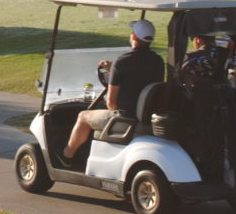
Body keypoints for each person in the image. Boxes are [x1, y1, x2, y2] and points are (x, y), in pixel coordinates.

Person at [61, 19, 165, 164]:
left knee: (83, 116)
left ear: (134, 37)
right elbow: (139, 76)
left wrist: (115, 70)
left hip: (126, 117)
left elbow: (111, 103)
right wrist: (114, 70)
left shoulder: (122, 62)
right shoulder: (158, 61)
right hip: (147, 116)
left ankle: (67, 156)